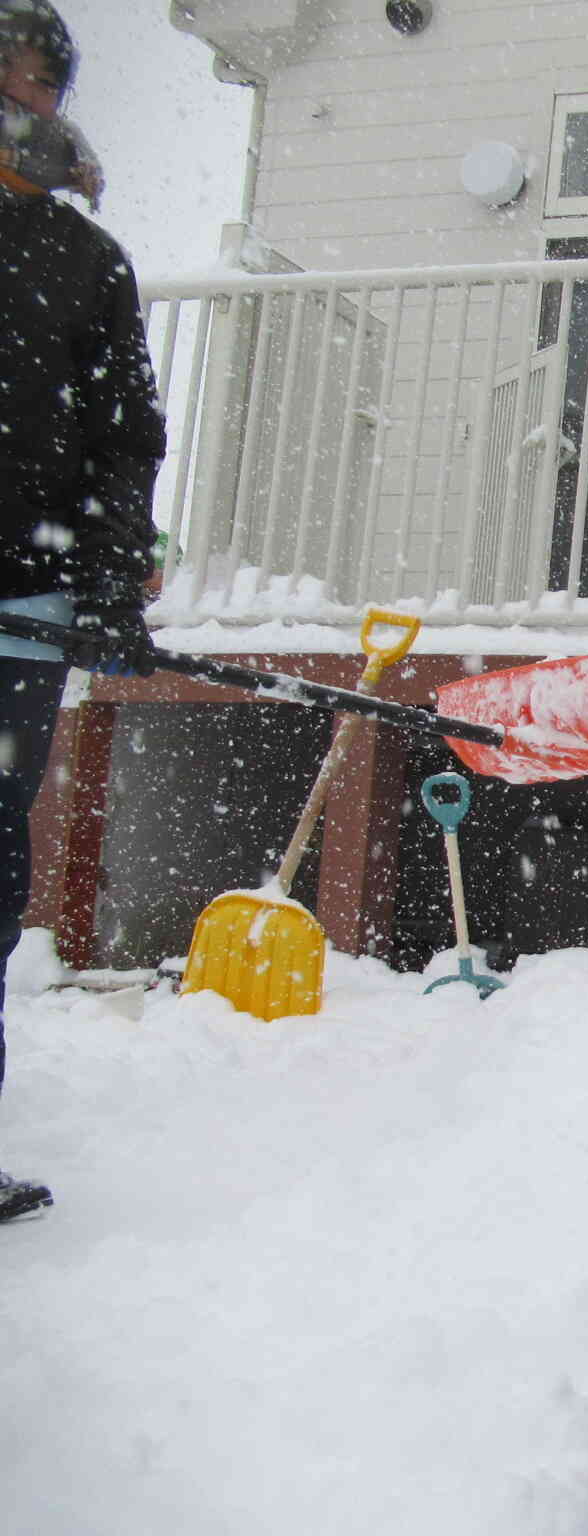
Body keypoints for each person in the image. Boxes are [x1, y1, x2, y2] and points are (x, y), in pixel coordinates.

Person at [1, 0, 164, 1223]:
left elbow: (123, 439)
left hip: (25, 606)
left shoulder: (84, 259)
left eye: (41, 73)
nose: (26, 89)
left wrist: (110, 582)